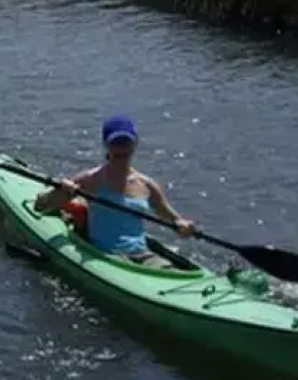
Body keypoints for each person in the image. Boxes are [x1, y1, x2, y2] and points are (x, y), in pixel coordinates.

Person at [33, 114, 196, 266]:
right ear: (106, 145)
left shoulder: (147, 185)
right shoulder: (91, 179)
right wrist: (63, 190)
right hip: (106, 257)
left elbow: (171, 218)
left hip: (143, 255)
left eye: (125, 143)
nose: (121, 150)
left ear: (135, 144)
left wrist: (182, 225)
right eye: (115, 144)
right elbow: (41, 206)